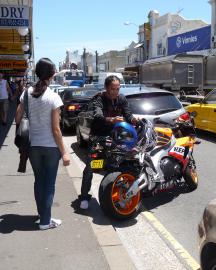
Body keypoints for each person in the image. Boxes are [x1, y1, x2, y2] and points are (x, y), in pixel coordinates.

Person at [15, 58, 70, 230]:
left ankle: (42, 215)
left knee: (39, 181)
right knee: (49, 184)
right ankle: (46, 222)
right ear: (52, 74)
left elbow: (17, 118)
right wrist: (65, 152)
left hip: (33, 146)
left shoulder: (27, 93)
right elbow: (56, 129)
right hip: (50, 148)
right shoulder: (53, 97)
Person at [79, 75, 137, 209]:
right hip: (98, 138)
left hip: (114, 137)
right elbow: (98, 116)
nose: (115, 92)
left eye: (118, 89)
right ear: (106, 88)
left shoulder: (121, 99)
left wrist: (133, 119)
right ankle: (84, 196)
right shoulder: (99, 98)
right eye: (113, 89)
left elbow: (128, 114)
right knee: (92, 166)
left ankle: (113, 193)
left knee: (115, 165)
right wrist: (111, 120)